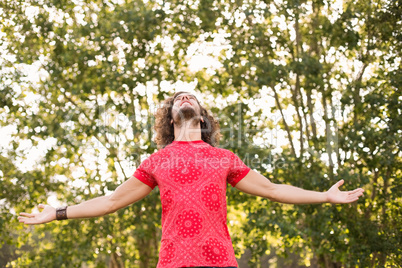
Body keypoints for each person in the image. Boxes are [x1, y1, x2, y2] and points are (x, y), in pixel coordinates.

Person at [18, 91, 364, 268]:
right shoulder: (156, 161)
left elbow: (273, 189)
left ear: (202, 116)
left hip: (219, 260)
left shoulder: (224, 158)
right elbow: (110, 201)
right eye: (178, 99)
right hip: (173, 262)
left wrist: (324, 195)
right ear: (170, 118)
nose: (185, 98)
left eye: (192, 98)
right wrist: (57, 212)